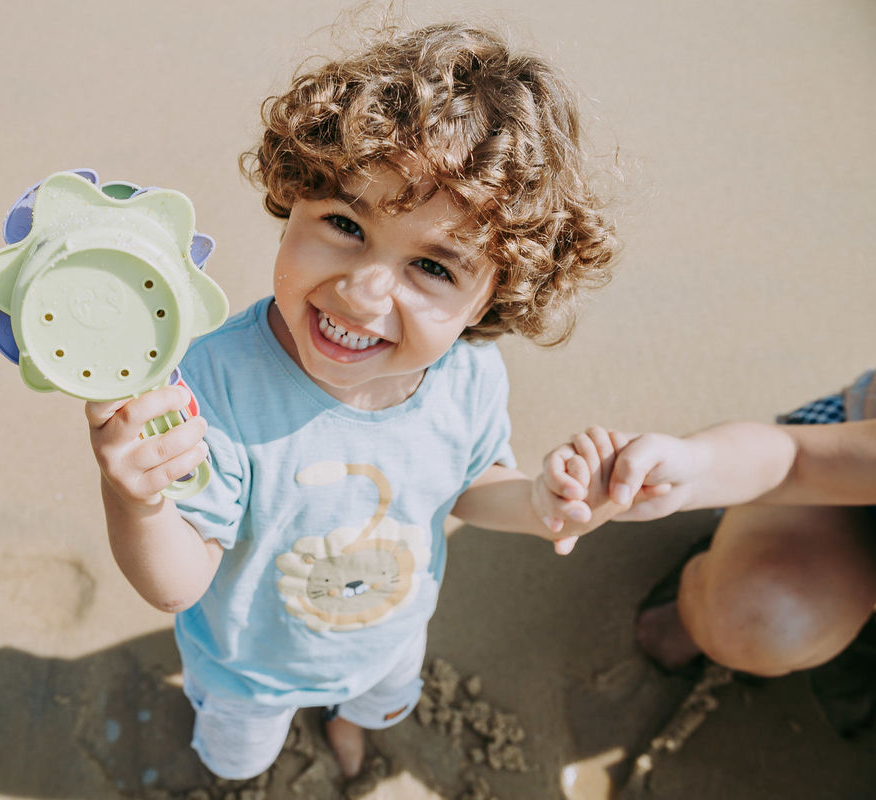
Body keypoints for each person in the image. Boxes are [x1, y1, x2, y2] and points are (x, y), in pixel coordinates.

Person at [85, 23, 619, 781]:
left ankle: (349, 722)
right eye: (345, 224)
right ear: (294, 196)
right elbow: (179, 583)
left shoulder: (469, 377)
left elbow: (471, 485)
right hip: (250, 672)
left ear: (492, 296)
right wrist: (135, 500)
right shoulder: (215, 385)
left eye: (433, 267)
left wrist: (542, 502)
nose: (365, 292)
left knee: (378, 704)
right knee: (240, 763)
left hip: (389, 639)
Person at [532, 369, 876, 733]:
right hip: (843, 459)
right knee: (757, 617)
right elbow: (797, 464)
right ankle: (711, 596)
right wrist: (694, 471)